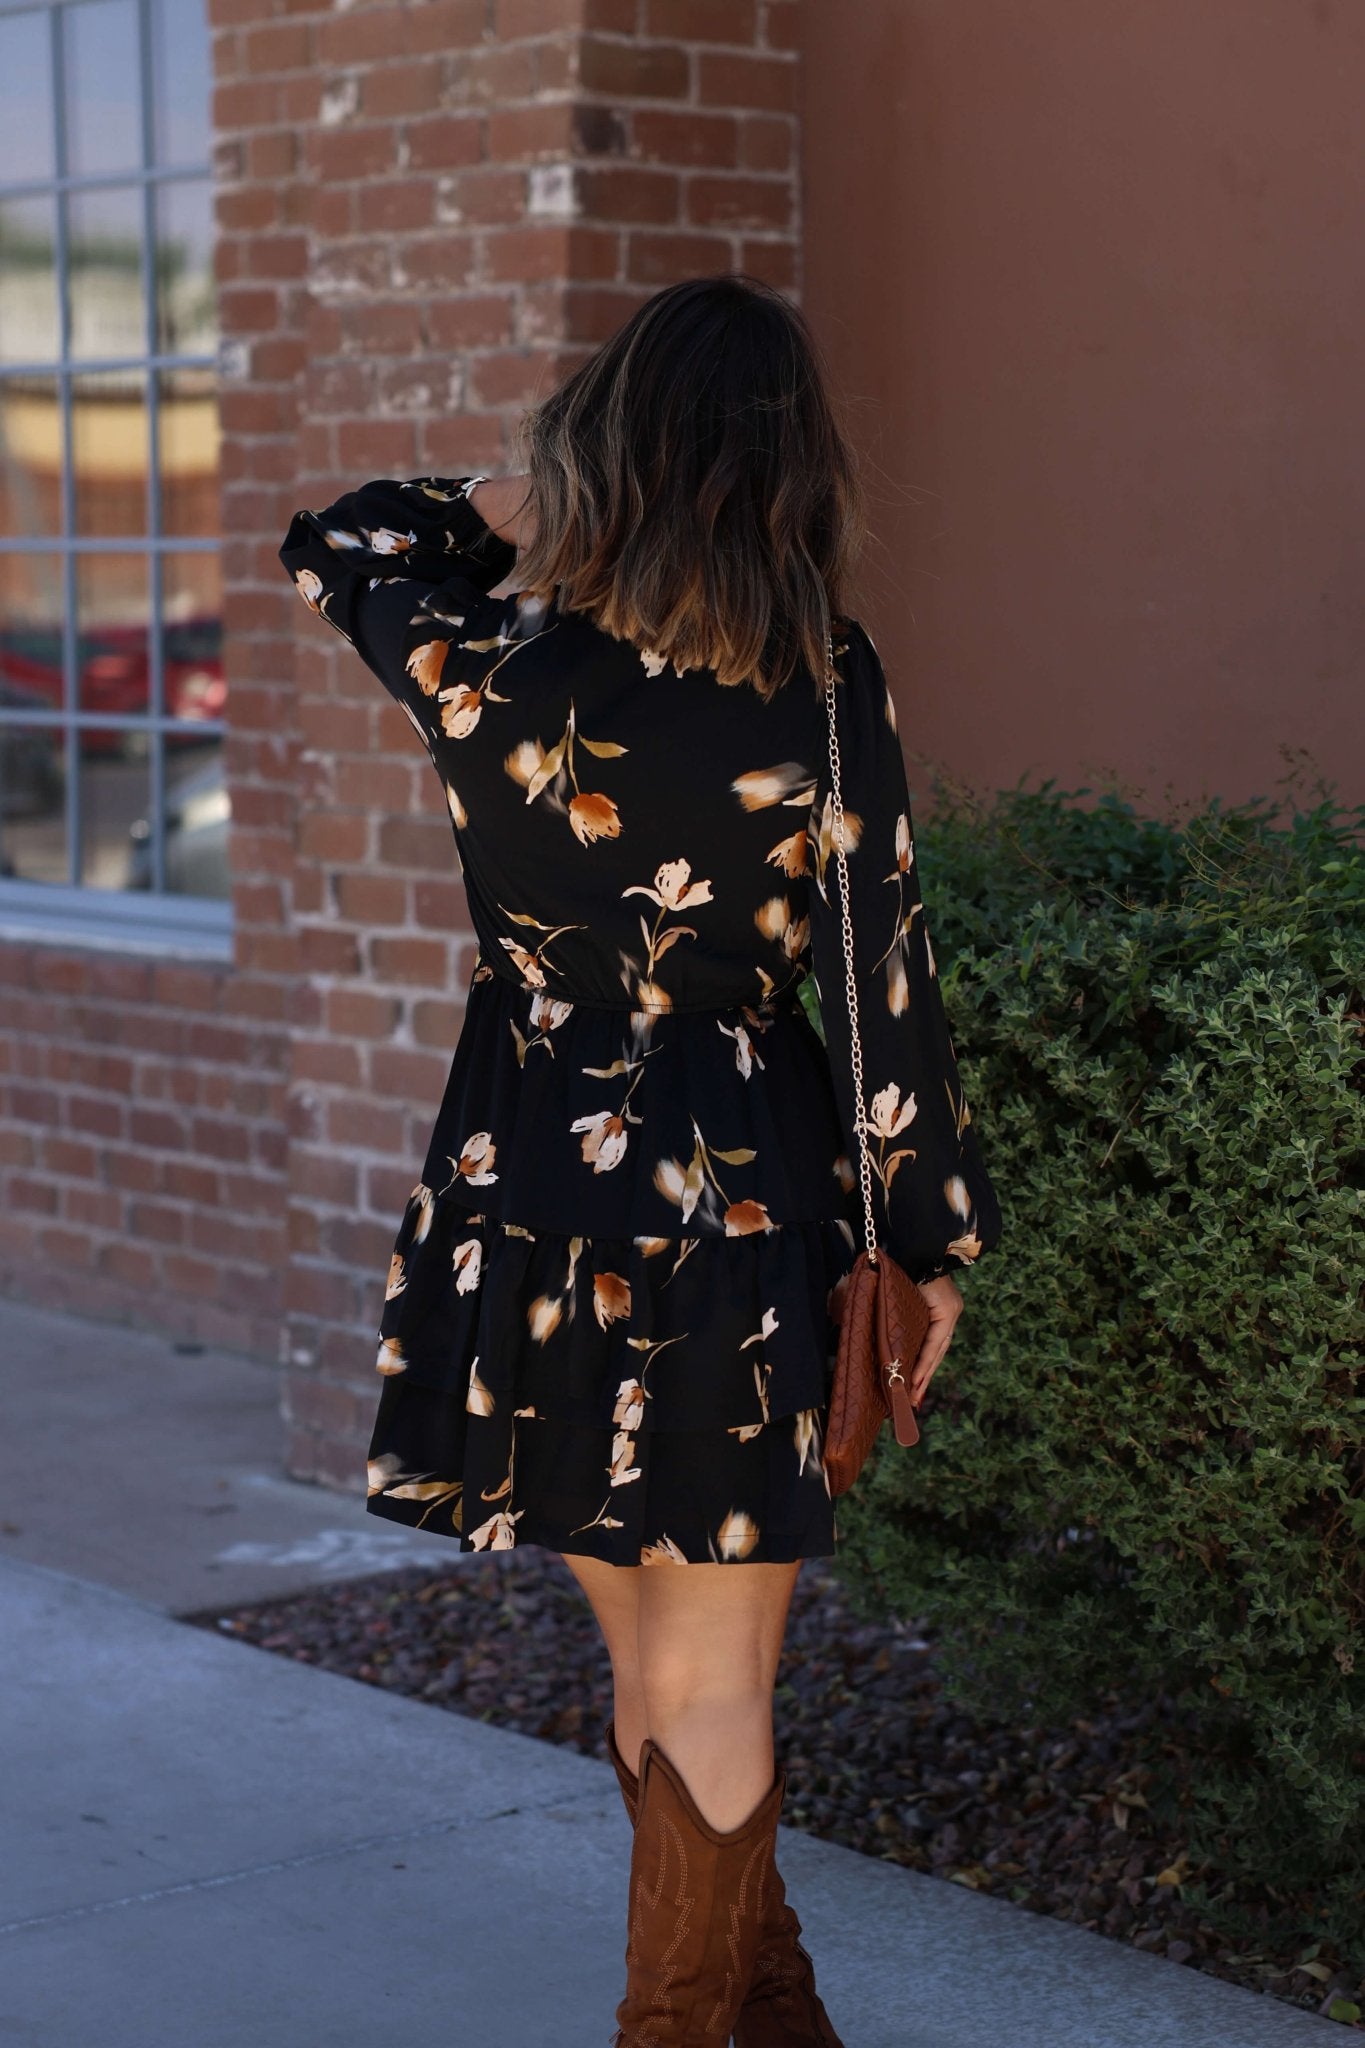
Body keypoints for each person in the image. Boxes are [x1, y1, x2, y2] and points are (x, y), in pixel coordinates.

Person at [279, 273, 1002, 2047]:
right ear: (790, 475)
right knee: (716, 1676)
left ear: (611, 449)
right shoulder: (823, 685)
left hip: (524, 1196)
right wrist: (934, 1246)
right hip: (736, 1205)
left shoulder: (487, 668)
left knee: (651, 1666)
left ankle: (770, 2015)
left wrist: (561, 490)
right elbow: (881, 983)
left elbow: (346, 531)